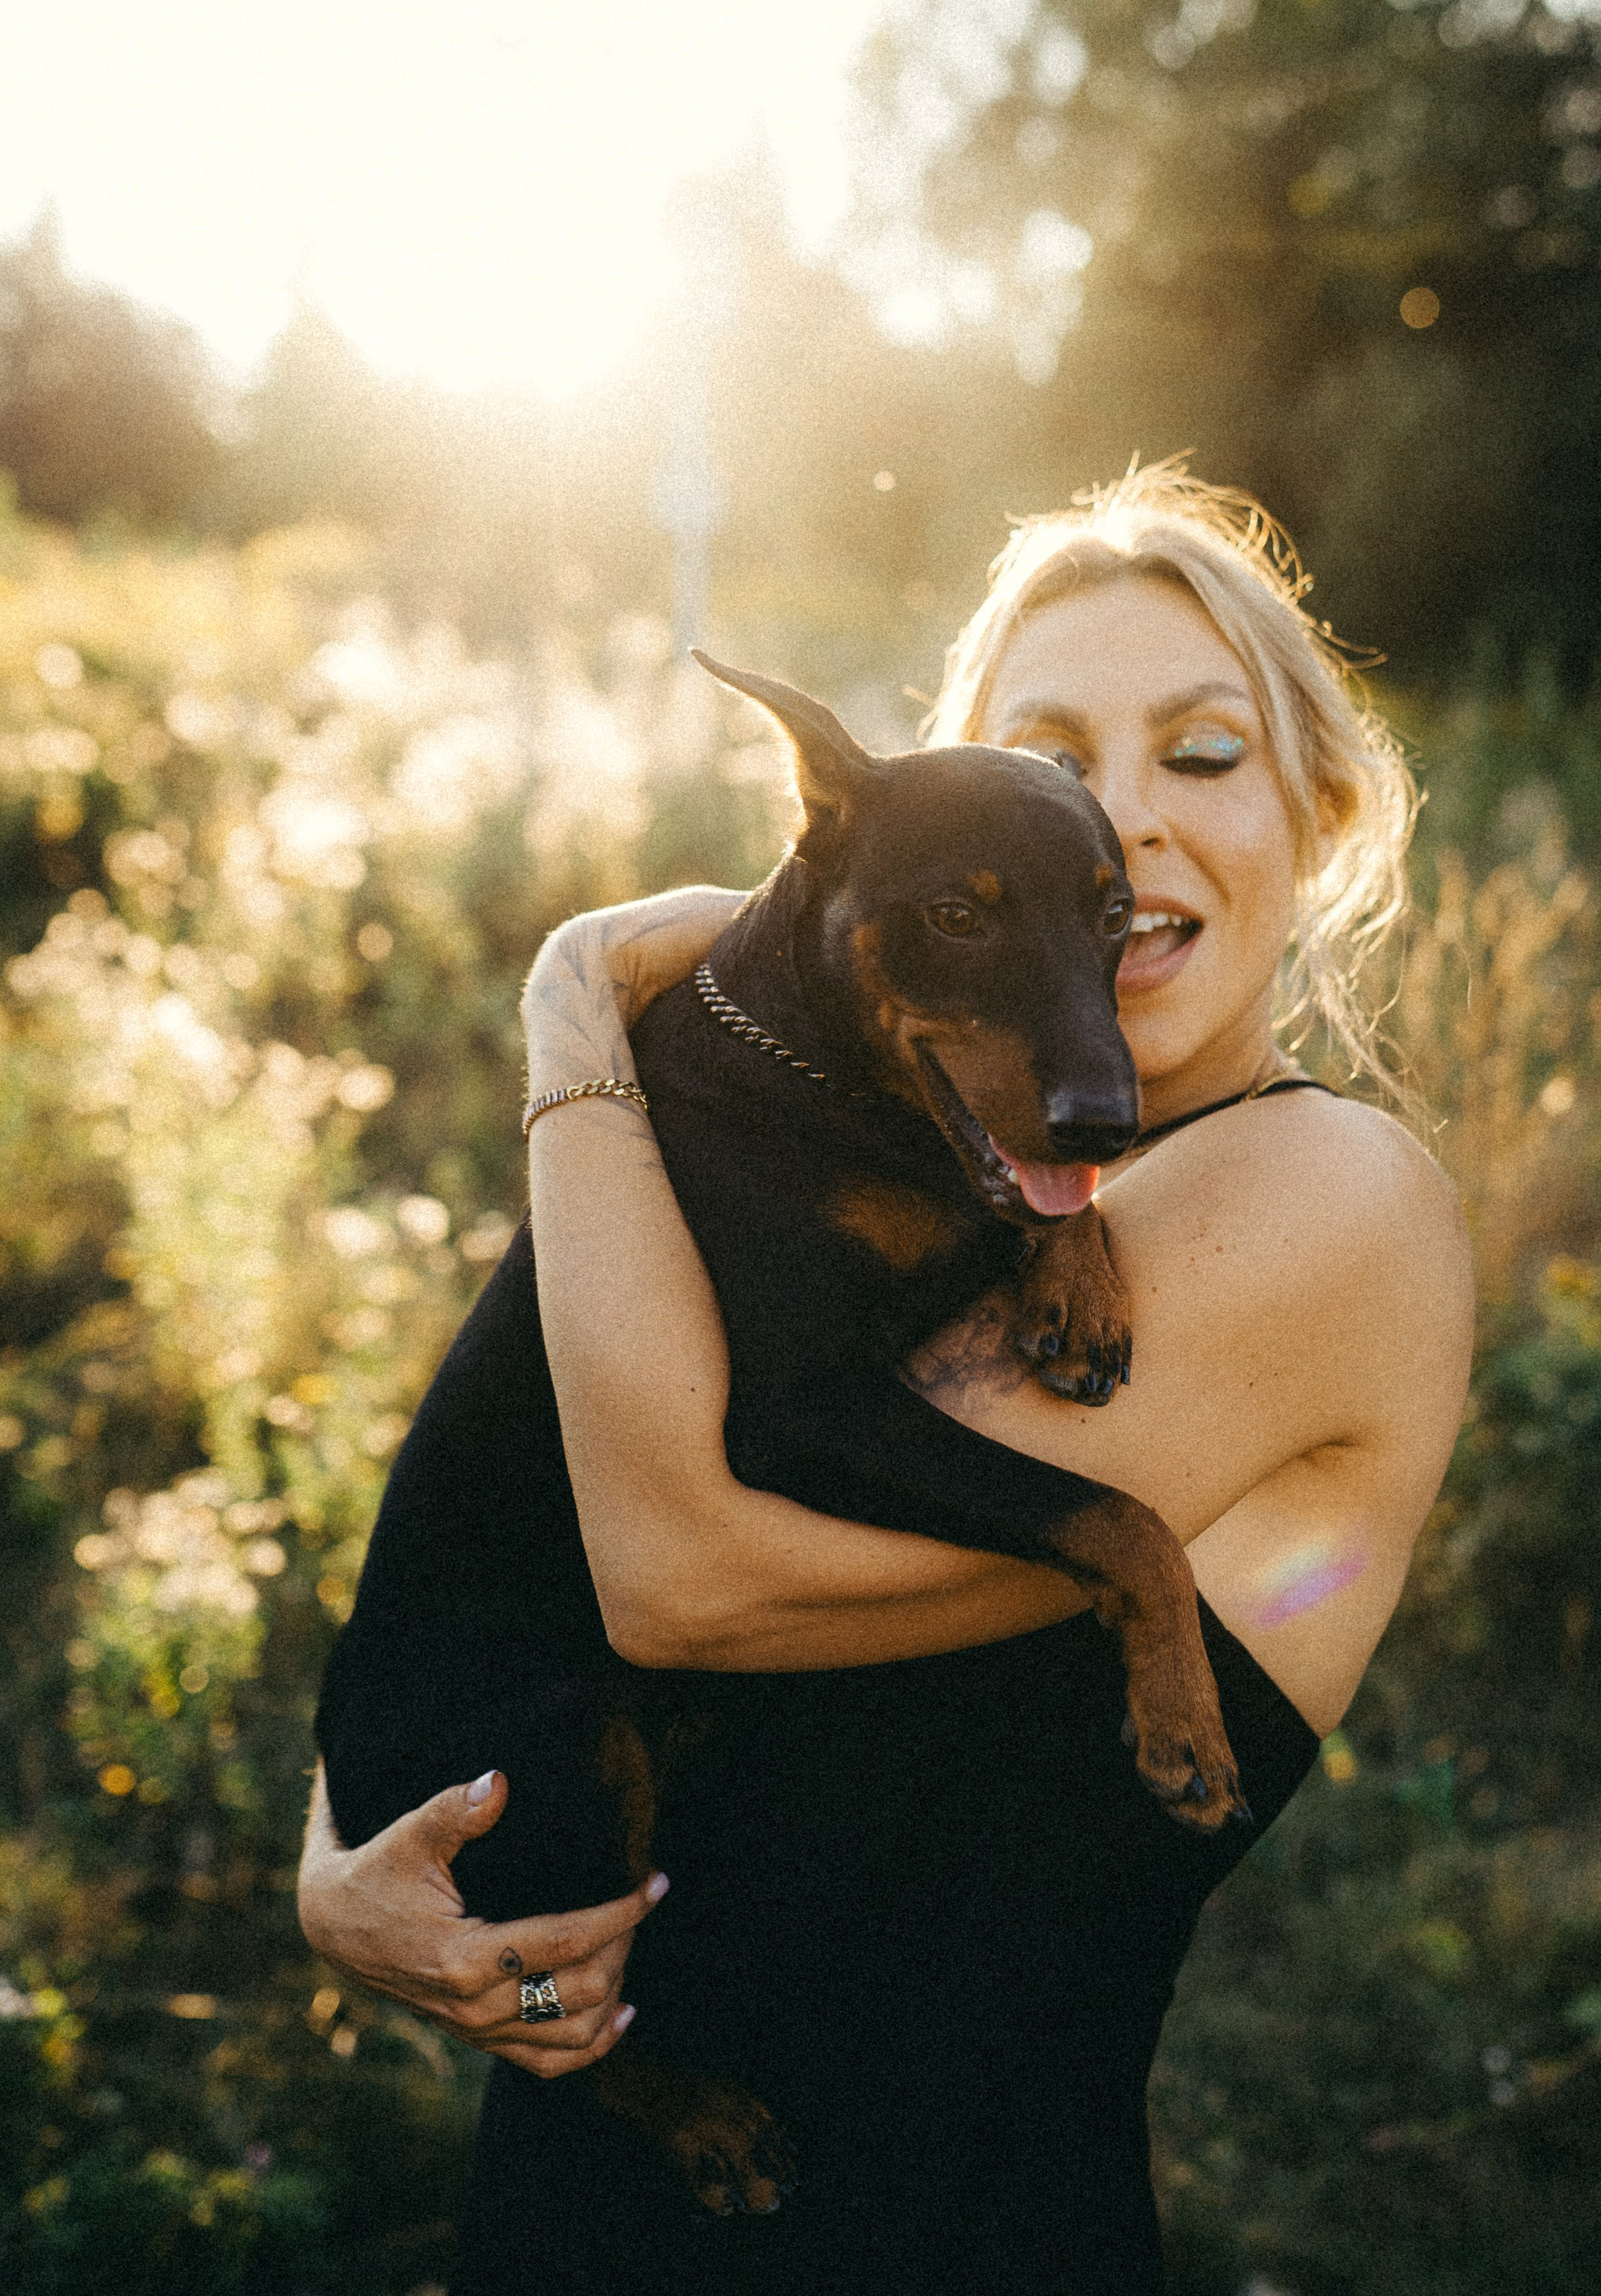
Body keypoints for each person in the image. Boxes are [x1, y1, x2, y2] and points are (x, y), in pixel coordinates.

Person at [297, 464, 1473, 2292]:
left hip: (925, 2222)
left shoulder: (1327, 1194)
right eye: (1051, 755)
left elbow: (670, 1569)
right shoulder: (923, 1143)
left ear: (1322, 807)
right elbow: (509, 1501)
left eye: (1201, 751)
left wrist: (574, 999)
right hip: (596, 2185)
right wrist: (344, 1857)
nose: (1120, 821)